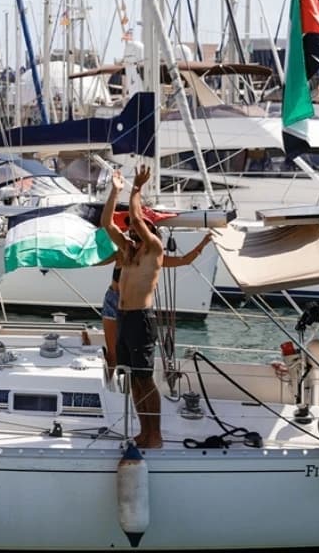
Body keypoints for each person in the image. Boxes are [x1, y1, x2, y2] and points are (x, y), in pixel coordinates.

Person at [101, 165, 214, 448]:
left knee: (146, 379)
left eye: (138, 230)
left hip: (140, 319)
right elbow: (107, 224)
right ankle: (144, 431)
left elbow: (137, 218)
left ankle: (155, 435)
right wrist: (114, 191)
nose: (132, 232)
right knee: (134, 380)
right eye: (132, 230)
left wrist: (136, 188)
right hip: (123, 317)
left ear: (150, 231)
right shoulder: (128, 251)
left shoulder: (154, 249)